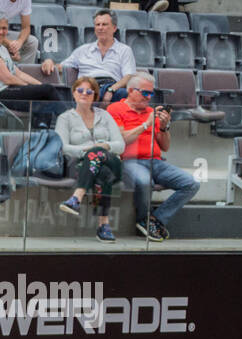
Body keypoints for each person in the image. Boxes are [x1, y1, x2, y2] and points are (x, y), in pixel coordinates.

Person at [108, 72, 198, 242]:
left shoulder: (151, 112)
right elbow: (122, 140)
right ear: (130, 90)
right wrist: (146, 124)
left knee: (191, 183)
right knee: (144, 182)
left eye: (151, 94)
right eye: (145, 93)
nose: (149, 98)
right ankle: (143, 219)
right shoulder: (115, 109)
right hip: (129, 161)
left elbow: (165, 146)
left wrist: (164, 127)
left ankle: (155, 219)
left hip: (155, 161)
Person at [55, 76, 124, 243]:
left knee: (99, 156)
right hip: (83, 164)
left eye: (89, 91)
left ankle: (76, 197)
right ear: (73, 93)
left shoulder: (105, 116)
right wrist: (85, 150)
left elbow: (120, 145)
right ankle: (103, 225)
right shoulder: (65, 118)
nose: (84, 94)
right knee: (104, 174)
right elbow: (62, 147)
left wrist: (104, 146)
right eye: (80, 90)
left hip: (112, 161)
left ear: (95, 96)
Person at [0, 14, 69, 127]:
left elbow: (18, 73)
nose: (1, 32)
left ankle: (41, 132)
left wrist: (39, 85)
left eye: (4, 28)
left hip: (7, 91)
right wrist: (33, 88)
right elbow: (7, 79)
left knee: (44, 97)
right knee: (47, 90)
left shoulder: (2, 48)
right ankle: (70, 122)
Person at [41, 9, 136, 104]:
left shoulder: (124, 50)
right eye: (97, 25)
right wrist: (50, 62)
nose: (100, 28)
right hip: (88, 87)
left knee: (125, 94)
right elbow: (61, 67)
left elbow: (128, 76)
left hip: (112, 87)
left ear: (114, 28)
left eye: (104, 24)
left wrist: (111, 90)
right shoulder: (82, 50)